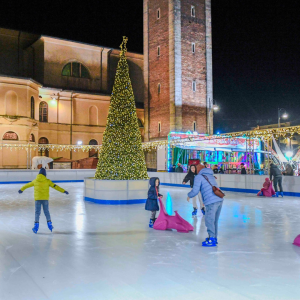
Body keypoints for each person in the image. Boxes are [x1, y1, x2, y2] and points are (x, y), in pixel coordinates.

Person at [18, 168, 69, 234]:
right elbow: (56, 187)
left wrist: (21, 189)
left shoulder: (35, 181)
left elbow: (27, 185)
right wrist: (63, 191)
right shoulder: (48, 181)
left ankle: (36, 226)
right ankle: (49, 224)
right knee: (46, 212)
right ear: (45, 174)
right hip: (45, 199)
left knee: (37, 213)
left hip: (37, 199)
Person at [187, 164, 223, 247]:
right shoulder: (210, 175)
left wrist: (189, 195)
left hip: (211, 201)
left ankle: (212, 239)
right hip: (219, 199)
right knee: (214, 221)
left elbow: (195, 190)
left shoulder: (199, 177)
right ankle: (214, 237)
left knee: (209, 220)